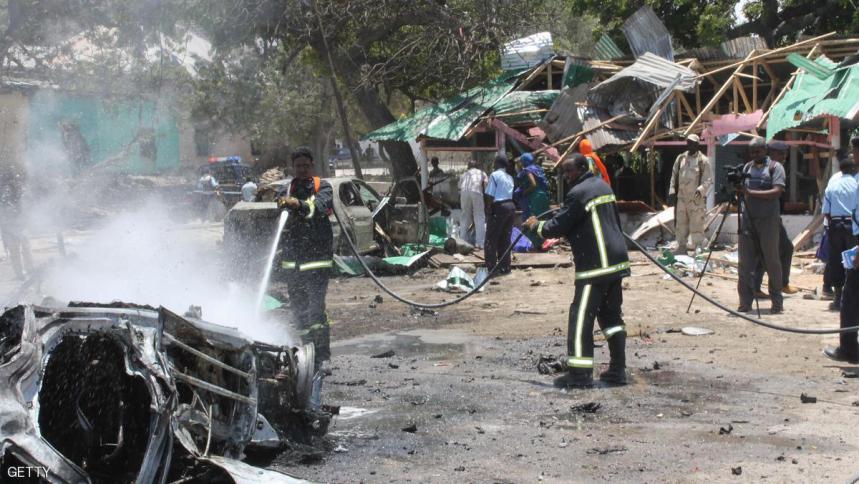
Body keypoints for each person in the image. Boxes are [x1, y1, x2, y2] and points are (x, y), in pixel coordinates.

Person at [523, 154, 630, 388]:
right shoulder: (603, 187)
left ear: (582, 168)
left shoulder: (578, 193)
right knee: (611, 318)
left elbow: (557, 227)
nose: (566, 177)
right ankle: (618, 370)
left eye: (569, 172)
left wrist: (534, 226)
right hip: (617, 263)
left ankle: (580, 374)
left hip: (595, 267)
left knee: (581, 318)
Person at [275, 147, 335, 371]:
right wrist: (282, 202)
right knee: (299, 310)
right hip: (293, 263)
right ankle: (307, 353)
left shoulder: (323, 187)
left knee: (316, 310)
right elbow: (279, 208)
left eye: (305, 166)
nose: (301, 170)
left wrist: (297, 204)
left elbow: (318, 208)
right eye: (298, 166)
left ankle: (323, 356)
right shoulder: (286, 189)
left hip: (317, 260)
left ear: (312, 166)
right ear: (293, 167)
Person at [737, 137, 787, 314]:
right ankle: (745, 302)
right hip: (748, 220)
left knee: (772, 261)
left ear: (765, 150)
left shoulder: (775, 167)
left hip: (768, 221)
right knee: (745, 263)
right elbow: (743, 191)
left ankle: (777, 302)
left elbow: (777, 192)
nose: (754, 155)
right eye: (752, 152)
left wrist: (751, 193)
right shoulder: (747, 167)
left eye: (757, 151)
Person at [753, 141, 800, 297]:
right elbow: (775, 192)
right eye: (782, 154)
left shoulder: (769, 168)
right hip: (767, 218)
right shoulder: (771, 169)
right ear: (773, 154)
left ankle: (757, 286)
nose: (784, 157)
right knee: (783, 249)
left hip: (767, 217)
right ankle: (781, 284)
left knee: (764, 251)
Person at [822, 156, 859, 310]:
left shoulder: (831, 186)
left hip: (835, 226)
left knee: (836, 261)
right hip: (852, 227)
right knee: (853, 261)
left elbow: (826, 213)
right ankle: (852, 298)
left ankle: (838, 299)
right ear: (853, 169)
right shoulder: (856, 185)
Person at [667, 134, 712, 255]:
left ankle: (698, 246)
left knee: (696, 224)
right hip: (682, 198)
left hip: (696, 199)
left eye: (692, 143)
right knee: (681, 223)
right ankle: (681, 246)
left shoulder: (703, 161)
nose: (689, 145)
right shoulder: (680, 158)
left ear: (697, 144)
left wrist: (701, 189)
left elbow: (708, 180)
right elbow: (674, 175)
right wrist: (672, 191)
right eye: (688, 142)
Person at [0, 160, 33, 280]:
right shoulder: (12, 189)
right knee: (22, 248)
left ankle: (24, 273)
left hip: (16, 222)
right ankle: (25, 273)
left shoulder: (15, 190)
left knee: (21, 249)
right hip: (13, 223)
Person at [484, 155, 516, 275]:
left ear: (497, 163)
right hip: (510, 207)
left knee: (491, 239)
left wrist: (488, 208)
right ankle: (505, 267)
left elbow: (490, 195)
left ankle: (492, 268)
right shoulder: (510, 177)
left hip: (499, 207)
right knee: (505, 239)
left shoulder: (494, 175)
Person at [459, 159, 488, 248]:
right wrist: (485, 195)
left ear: (468, 166)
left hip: (464, 193)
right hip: (476, 192)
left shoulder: (464, 174)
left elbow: (459, 186)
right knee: (479, 217)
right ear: (477, 166)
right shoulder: (481, 173)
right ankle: (480, 243)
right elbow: (486, 183)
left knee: (465, 217)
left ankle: (462, 241)